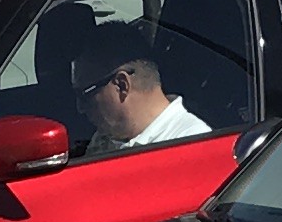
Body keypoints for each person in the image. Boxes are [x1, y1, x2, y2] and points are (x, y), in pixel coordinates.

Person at [75, 31, 210, 153]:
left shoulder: (191, 146)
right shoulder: (105, 138)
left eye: (85, 95)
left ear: (121, 85)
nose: (80, 108)